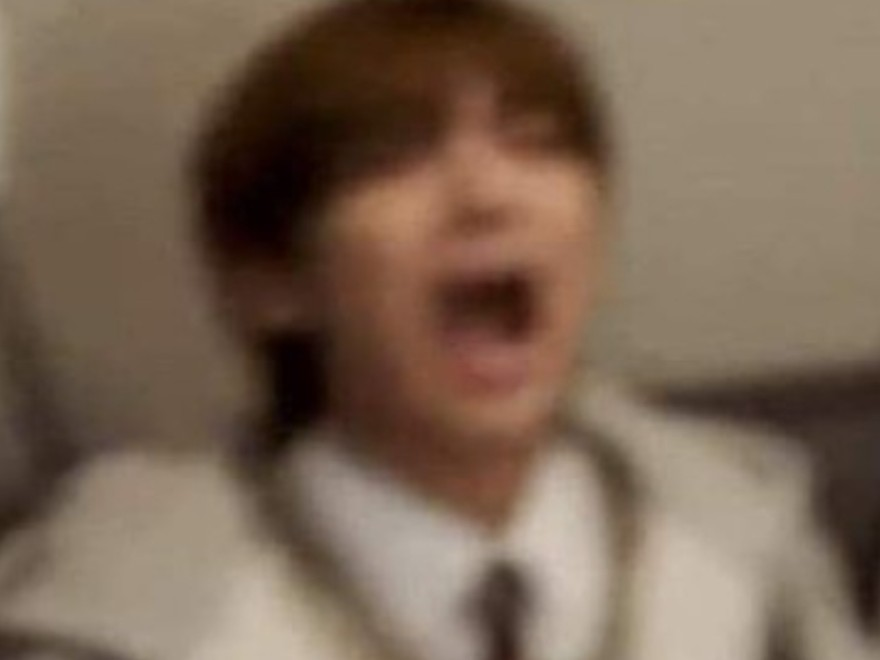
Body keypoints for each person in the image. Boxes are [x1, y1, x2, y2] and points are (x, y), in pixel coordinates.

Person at [0, 0, 870, 658]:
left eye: (535, 141)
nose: (487, 195)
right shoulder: (141, 620)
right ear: (272, 284)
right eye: (394, 158)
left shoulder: (739, 548)